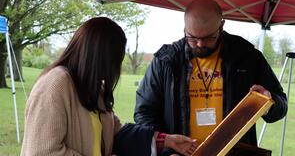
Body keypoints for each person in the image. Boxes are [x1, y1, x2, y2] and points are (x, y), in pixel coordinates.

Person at [20, 17, 197, 156]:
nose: (115, 69)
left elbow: (116, 131)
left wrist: (165, 140)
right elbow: (43, 152)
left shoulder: (91, 87)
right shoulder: (55, 85)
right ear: (100, 56)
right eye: (114, 60)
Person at [134, 0, 288, 155]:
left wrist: (268, 102)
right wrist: (167, 149)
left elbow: (282, 103)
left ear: (221, 25)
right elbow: (144, 112)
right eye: (192, 38)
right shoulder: (166, 61)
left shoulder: (247, 57)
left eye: (208, 38)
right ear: (184, 28)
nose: (200, 44)